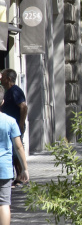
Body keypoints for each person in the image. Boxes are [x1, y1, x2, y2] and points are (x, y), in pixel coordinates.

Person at [0, 85, 29, 224]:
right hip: (4, 169)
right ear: (3, 102)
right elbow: (19, 147)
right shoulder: (10, 121)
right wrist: (25, 168)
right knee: (4, 203)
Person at [0, 69, 28, 187]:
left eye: (3, 77)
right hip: (9, 125)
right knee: (14, 151)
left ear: (8, 79)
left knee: (17, 149)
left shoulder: (15, 91)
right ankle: (18, 176)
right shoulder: (8, 91)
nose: (1, 79)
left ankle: (21, 177)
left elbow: (23, 106)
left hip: (14, 126)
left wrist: (20, 124)